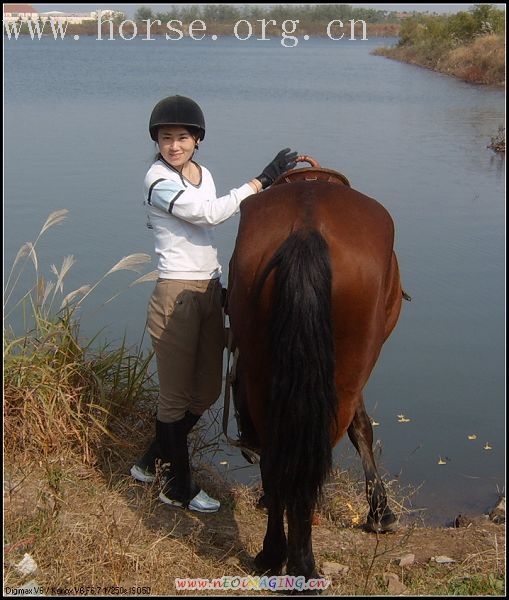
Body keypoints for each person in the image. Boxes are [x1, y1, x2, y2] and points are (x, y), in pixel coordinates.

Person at [131, 94, 298, 513]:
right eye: (166, 138)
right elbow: (209, 215)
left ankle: (152, 460)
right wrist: (262, 181)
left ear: (197, 139)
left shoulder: (200, 173)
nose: (174, 146)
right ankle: (177, 487)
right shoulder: (157, 181)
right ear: (157, 141)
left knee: (204, 392)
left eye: (182, 137)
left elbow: (204, 222)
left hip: (208, 290)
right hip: (175, 298)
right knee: (173, 397)